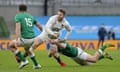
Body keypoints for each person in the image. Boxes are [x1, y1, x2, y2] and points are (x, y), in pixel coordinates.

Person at [9, 4, 43, 69]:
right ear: (26, 9)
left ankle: (24, 60)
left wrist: (16, 40)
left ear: (18, 9)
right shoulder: (30, 16)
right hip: (33, 39)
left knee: (10, 45)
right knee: (27, 49)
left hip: (25, 39)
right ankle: (36, 65)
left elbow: (18, 29)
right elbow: (40, 26)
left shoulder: (18, 16)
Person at [49, 39, 114, 66]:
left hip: (78, 53)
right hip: (74, 57)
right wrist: (51, 52)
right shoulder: (56, 46)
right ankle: (104, 55)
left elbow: (64, 47)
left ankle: (105, 45)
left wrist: (56, 42)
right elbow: (50, 54)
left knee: (94, 59)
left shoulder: (63, 44)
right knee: (88, 64)